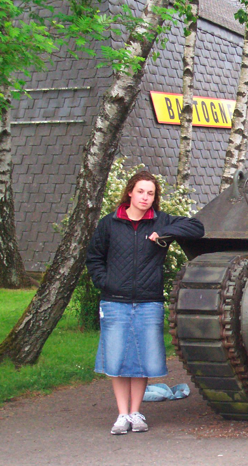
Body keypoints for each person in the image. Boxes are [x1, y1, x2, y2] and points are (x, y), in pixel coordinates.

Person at [86, 171, 204, 435]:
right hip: (114, 301)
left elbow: (197, 228)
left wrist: (164, 231)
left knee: (141, 360)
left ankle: (136, 412)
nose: (145, 197)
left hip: (149, 302)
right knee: (117, 359)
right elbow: (94, 257)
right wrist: (105, 282)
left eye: (150, 193)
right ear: (130, 192)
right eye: (140, 191)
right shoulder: (110, 223)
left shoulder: (160, 221)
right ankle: (122, 415)